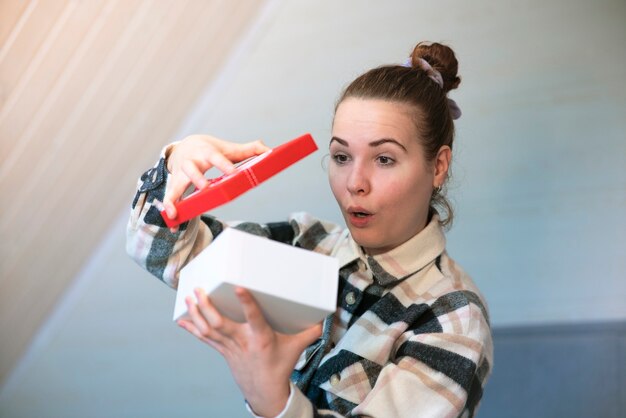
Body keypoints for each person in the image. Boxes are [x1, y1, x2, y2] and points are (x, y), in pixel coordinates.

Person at [127, 41, 493, 418]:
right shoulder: (309, 242)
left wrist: (272, 400)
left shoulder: (453, 317)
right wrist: (175, 166)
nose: (355, 182)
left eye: (384, 159)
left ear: (438, 166)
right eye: (341, 157)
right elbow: (167, 254)